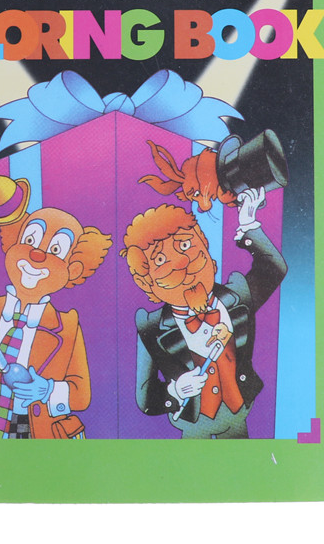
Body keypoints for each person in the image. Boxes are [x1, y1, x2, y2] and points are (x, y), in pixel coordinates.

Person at [0, 176, 111, 439]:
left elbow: (81, 395)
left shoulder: (66, 327)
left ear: (72, 270)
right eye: (29, 240)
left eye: (55, 249)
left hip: (32, 433)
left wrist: (47, 390)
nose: (37, 255)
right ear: (12, 245)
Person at [120, 187, 286, 438]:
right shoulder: (151, 327)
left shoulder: (237, 296)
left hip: (239, 414)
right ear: (148, 284)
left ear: (205, 248)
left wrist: (248, 224)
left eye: (185, 244)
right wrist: (176, 390)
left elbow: (274, 268)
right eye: (160, 260)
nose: (181, 262)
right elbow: (146, 399)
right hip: (195, 425)